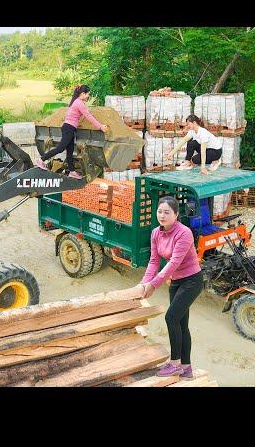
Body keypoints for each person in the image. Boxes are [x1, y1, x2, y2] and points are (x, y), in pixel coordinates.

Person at [126, 196, 203, 378]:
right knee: (181, 324)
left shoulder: (184, 233)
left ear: (176, 214)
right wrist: (143, 284)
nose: (162, 215)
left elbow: (174, 263)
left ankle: (175, 363)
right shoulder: (155, 233)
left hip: (192, 280)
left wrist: (154, 285)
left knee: (171, 318)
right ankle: (186, 368)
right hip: (176, 281)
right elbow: (154, 261)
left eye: (167, 212)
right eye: (159, 211)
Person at [35, 84, 108, 179]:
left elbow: (83, 114)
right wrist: (100, 126)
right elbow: (88, 116)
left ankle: (72, 171)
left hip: (70, 128)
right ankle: (41, 160)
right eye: (87, 94)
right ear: (82, 93)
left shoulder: (77, 102)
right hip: (68, 128)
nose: (88, 96)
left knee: (70, 151)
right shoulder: (79, 103)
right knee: (60, 148)